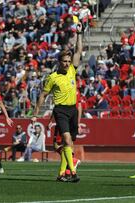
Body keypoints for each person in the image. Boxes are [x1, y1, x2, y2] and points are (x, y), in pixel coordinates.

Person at [34, 23, 83, 183]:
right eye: (65, 61)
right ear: (59, 62)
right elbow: (43, 95)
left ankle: (62, 173)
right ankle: (73, 173)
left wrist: (79, 34)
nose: (67, 63)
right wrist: (36, 114)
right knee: (67, 141)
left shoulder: (72, 70)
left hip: (73, 110)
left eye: (69, 61)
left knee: (70, 144)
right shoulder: (52, 77)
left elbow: (78, 51)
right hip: (60, 110)